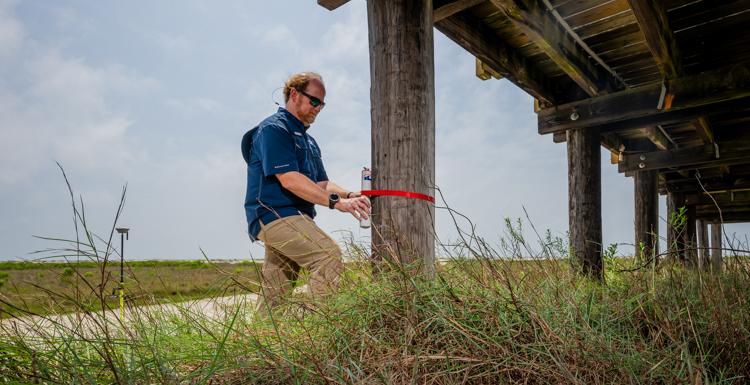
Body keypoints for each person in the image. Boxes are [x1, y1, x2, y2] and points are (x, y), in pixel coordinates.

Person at [242, 72, 371, 310]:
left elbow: (322, 184)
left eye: (322, 104)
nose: (318, 108)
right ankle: (322, 335)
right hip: (275, 215)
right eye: (314, 101)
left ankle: (261, 341)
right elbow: (290, 179)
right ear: (294, 94)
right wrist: (335, 203)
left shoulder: (309, 141)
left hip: (296, 217)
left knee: (275, 296)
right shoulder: (274, 129)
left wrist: (349, 195)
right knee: (327, 256)